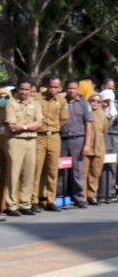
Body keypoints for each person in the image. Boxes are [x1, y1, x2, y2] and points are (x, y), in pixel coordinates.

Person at [4, 81, 42, 216]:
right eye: (21, 89)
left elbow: (39, 124)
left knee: (29, 173)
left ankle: (25, 203)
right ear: (17, 89)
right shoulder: (11, 104)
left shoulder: (36, 104)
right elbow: (12, 126)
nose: (24, 92)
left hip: (31, 140)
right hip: (15, 141)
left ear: (31, 90)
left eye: (27, 89)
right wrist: (30, 126)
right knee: (13, 173)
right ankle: (11, 205)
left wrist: (24, 126)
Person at [33, 77, 69, 212]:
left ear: (60, 88)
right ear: (47, 86)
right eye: (51, 86)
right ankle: (34, 200)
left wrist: (55, 127)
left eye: (56, 87)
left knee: (53, 170)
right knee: (37, 169)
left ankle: (50, 200)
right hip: (39, 136)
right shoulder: (38, 98)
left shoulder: (62, 100)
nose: (53, 89)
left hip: (54, 136)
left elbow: (64, 118)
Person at [59, 80, 94, 208]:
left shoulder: (84, 104)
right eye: (69, 88)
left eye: (74, 88)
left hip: (78, 140)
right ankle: (61, 196)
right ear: (65, 89)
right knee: (61, 170)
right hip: (62, 139)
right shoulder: (61, 102)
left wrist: (87, 144)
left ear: (78, 90)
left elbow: (88, 125)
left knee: (77, 171)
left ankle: (79, 197)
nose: (71, 91)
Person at [85, 93, 108, 205]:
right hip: (86, 148)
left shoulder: (103, 116)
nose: (95, 103)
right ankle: (82, 197)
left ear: (101, 103)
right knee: (83, 174)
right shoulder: (85, 113)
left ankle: (92, 196)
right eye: (92, 100)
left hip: (99, 148)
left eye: (98, 101)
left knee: (95, 173)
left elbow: (105, 131)